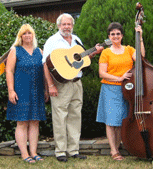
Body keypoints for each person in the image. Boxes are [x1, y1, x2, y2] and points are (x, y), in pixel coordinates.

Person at [42, 13, 103, 162]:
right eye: (64, 24)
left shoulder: (76, 40)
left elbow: (81, 60)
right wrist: (50, 85)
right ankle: (61, 151)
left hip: (77, 82)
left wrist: (94, 52)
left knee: (75, 116)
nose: (67, 27)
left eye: (69, 24)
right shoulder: (52, 41)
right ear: (58, 26)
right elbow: (45, 64)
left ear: (72, 25)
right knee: (60, 117)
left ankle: (74, 150)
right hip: (60, 84)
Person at [96, 22, 144, 161]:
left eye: (118, 34)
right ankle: (113, 150)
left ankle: (117, 147)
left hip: (127, 89)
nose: (115, 36)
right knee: (111, 122)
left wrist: (139, 37)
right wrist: (119, 78)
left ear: (122, 35)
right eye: (112, 34)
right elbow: (102, 73)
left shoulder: (129, 49)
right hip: (110, 88)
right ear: (109, 36)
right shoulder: (105, 52)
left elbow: (141, 58)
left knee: (121, 120)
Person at [5, 24, 48, 164]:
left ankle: (34, 152)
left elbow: (44, 73)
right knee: (22, 122)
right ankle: (24, 154)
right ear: (20, 36)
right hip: (21, 90)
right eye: (25, 33)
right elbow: (9, 71)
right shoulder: (15, 51)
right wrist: (11, 90)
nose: (27, 35)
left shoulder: (39, 51)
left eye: (30, 33)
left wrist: (46, 89)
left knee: (35, 122)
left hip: (37, 91)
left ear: (33, 35)